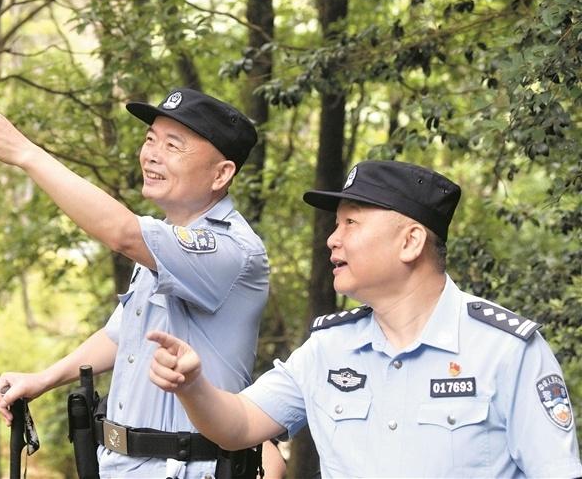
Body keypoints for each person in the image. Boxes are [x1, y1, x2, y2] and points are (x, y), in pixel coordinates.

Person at [148, 160, 582, 478]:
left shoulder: (506, 350)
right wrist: (193, 386)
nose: (332, 239)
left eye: (350, 223)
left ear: (411, 241)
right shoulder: (328, 348)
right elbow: (239, 424)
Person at [0, 88, 277, 478]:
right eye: (150, 139)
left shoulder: (230, 249)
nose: (151, 154)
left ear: (221, 173)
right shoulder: (165, 244)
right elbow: (121, 335)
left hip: (185, 469)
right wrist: (43, 379)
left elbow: (122, 233)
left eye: (173, 145)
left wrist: (25, 152)